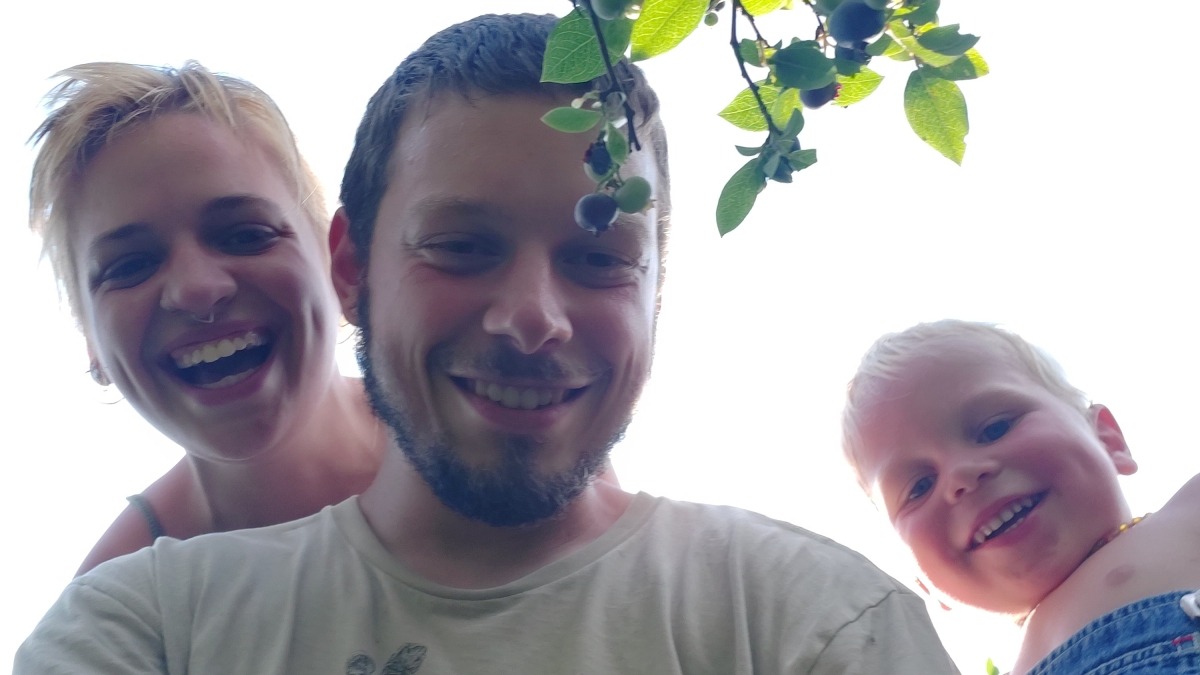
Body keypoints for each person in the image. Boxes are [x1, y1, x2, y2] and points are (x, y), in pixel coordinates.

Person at [16, 14, 957, 673]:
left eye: (599, 258)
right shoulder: (141, 616)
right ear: (356, 269)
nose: (532, 318)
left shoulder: (806, 619)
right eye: (461, 246)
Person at [27, 61, 389, 574]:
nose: (197, 290)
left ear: (339, 262)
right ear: (91, 341)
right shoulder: (119, 610)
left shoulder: (486, 446)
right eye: (129, 266)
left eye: (245, 235)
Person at [841, 319, 1200, 674]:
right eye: (919, 487)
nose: (961, 476)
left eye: (994, 428)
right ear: (922, 581)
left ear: (1107, 439)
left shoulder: (1185, 516)